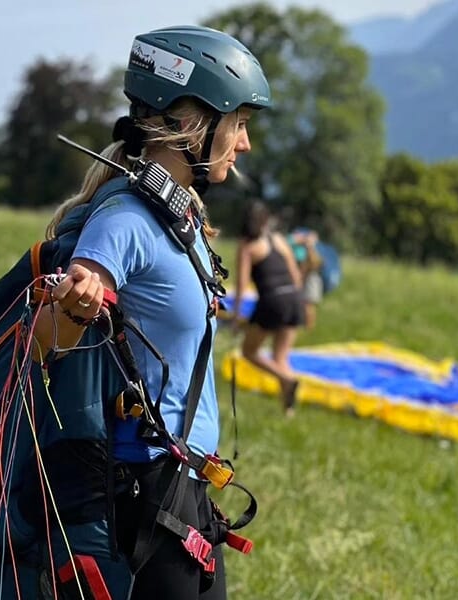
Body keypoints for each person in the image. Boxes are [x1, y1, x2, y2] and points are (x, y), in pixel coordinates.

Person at [32, 25, 272, 600]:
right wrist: (76, 302)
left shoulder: (179, 220)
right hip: (140, 492)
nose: (243, 143)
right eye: (238, 122)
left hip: (181, 485)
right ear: (193, 122)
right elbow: (46, 337)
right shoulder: (126, 220)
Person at [232, 201, 305, 417]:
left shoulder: (247, 247)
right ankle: (288, 410)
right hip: (293, 298)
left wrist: (236, 318)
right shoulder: (280, 240)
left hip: (272, 300)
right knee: (280, 357)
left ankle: (287, 379)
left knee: (249, 352)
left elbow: (242, 284)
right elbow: (296, 276)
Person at [288, 228, 323, 329]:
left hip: (311, 280)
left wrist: (309, 246)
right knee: (305, 304)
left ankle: (309, 327)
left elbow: (314, 264)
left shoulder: (314, 249)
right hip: (308, 278)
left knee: (309, 305)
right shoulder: (308, 249)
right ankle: (305, 325)